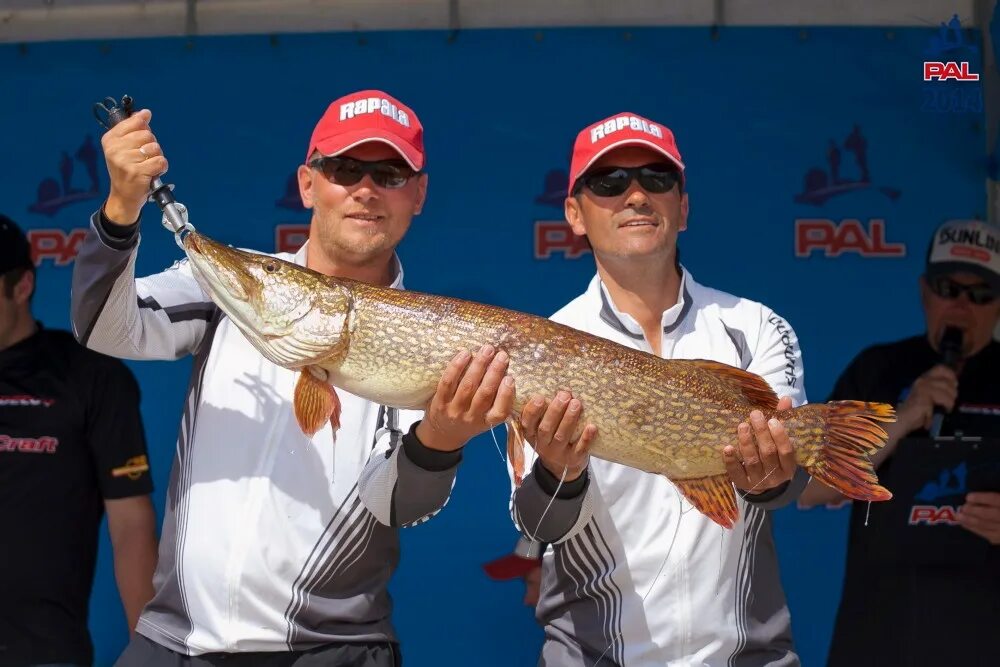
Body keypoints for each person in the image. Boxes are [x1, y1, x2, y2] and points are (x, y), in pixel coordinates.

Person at [71, 90, 516, 666]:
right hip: (174, 646)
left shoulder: (431, 338)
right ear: (309, 184)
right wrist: (121, 209)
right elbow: (105, 329)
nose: (366, 188)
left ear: (418, 194)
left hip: (332, 653)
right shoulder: (232, 285)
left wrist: (443, 440)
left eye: (389, 173)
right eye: (346, 169)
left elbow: (399, 505)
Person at [507, 112, 810, 666]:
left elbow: (790, 487)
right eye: (609, 183)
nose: (637, 195)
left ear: (683, 206)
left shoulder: (756, 326)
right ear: (574, 214)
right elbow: (537, 523)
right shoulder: (539, 346)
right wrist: (559, 473)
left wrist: (773, 473)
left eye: (657, 179)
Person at [799, 219, 1000, 666]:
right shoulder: (878, 371)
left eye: (981, 295)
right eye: (949, 289)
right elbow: (810, 486)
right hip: (879, 638)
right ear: (925, 292)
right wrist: (905, 416)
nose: (962, 306)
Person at [0, 214, 157, 667]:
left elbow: (131, 525)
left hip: (43, 652)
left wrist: (146, 652)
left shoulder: (89, 377)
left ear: (21, 286)